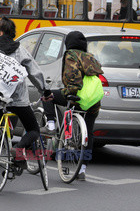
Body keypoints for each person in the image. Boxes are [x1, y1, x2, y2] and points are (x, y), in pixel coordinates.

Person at [0, 17, 48, 169]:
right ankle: (18, 149)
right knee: (33, 129)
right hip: (16, 99)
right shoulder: (19, 50)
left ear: (1, 33)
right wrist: (44, 90)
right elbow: (34, 72)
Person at [40, 31, 103, 181]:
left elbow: (73, 80)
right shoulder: (91, 58)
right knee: (88, 133)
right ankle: (82, 168)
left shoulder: (71, 55)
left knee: (47, 97)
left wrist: (68, 92)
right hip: (93, 101)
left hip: (77, 96)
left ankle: (50, 124)